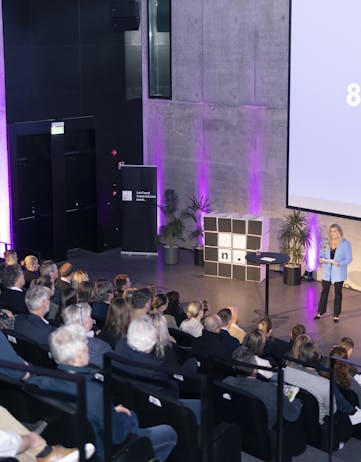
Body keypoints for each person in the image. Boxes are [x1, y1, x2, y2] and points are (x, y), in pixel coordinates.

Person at [29, 324, 177, 461]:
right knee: (168, 432)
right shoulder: (95, 393)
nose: (89, 347)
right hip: (107, 452)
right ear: (79, 355)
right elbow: (118, 436)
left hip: (68, 441)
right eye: (86, 344)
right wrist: (130, 416)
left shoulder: (40, 382)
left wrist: (110, 411)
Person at [314, 224, 352, 322]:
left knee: (338, 293)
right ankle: (320, 312)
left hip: (338, 272)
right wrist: (321, 259)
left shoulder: (345, 243)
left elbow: (349, 259)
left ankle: (336, 314)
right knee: (324, 292)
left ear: (339, 231)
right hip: (327, 272)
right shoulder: (326, 242)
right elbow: (321, 254)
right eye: (331, 231)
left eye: (334, 231)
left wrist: (339, 263)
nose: (332, 233)